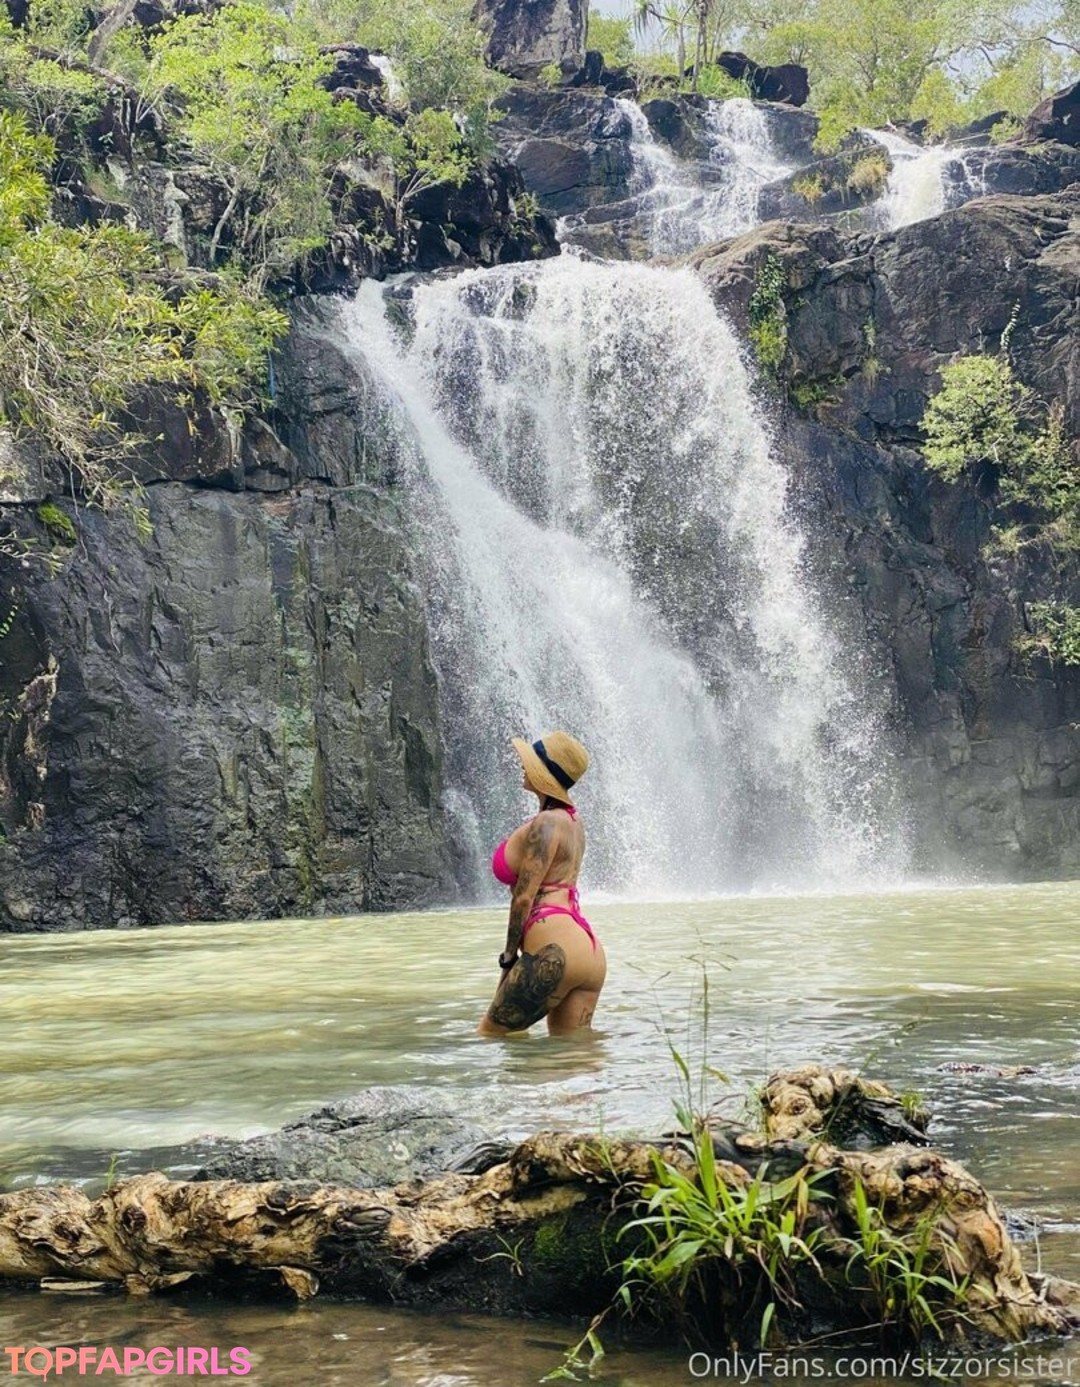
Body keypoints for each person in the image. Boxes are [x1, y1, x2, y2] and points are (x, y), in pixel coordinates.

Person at [478, 731, 606, 1037]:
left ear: (544, 775)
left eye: (531, 763)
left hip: (554, 948)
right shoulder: (574, 822)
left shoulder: (546, 823)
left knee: (490, 1037)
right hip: (589, 953)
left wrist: (509, 959)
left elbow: (523, 897)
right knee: (570, 1054)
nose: (523, 767)